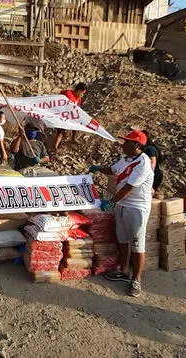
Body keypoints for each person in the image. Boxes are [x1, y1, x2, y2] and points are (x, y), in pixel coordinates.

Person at [89, 130, 154, 298]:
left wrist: (110, 202)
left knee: (137, 242)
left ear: (137, 145)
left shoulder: (143, 163)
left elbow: (128, 187)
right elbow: (113, 170)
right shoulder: (126, 160)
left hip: (137, 207)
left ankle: (136, 279)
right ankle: (124, 271)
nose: (123, 144)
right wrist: (98, 169)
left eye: (127, 142)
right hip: (122, 205)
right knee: (122, 239)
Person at [54, 82, 87, 151]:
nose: (83, 95)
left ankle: (73, 139)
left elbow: (78, 109)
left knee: (77, 125)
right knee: (60, 132)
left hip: (71, 116)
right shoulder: (68, 93)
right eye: (83, 93)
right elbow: (58, 97)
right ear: (79, 91)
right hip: (63, 116)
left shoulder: (78, 99)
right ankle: (55, 146)